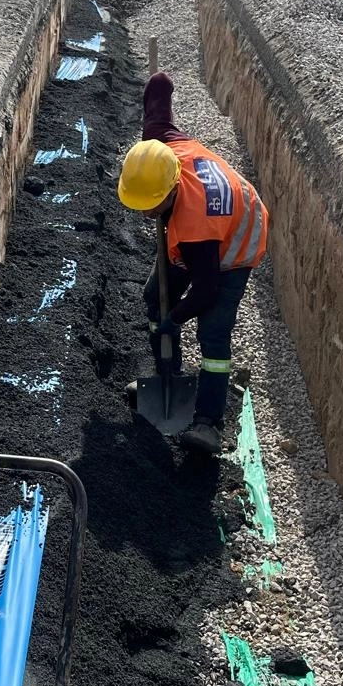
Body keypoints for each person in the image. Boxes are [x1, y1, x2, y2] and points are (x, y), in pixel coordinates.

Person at [116, 71, 269, 454]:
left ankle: (207, 423)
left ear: (171, 190)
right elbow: (159, 97)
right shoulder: (158, 150)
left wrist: (177, 316)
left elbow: (206, 290)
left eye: (152, 207)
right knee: (155, 297)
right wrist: (157, 86)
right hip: (200, 231)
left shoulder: (194, 228)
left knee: (213, 331)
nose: (145, 214)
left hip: (233, 246)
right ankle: (167, 378)